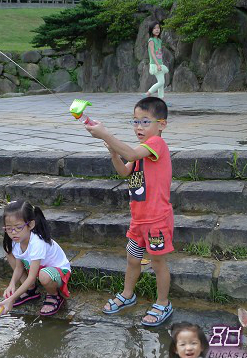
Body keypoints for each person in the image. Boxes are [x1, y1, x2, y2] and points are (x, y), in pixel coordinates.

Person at [86, 97, 174, 327]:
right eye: (135, 122)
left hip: (157, 221)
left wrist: (106, 135)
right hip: (139, 221)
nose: (139, 127)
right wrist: (114, 153)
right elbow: (125, 170)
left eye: (145, 121)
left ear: (161, 125)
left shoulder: (156, 145)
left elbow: (133, 154)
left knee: (157, 264)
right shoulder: (140, 153)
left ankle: (163, 302)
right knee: (132, 260)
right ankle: (128, 294)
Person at [0, 200, 71, 316]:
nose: (13, 233)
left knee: (44, 275)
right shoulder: (17, 242)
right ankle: (30, 290)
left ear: (30, 225)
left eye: (18, 227)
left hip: (57, 271)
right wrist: (11, 284)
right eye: (8, 228)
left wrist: (12, 298)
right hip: (38, 269)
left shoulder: (37, 243)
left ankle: (54, 295)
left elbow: (31, 277)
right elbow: (18, 267)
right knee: (9, 253)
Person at [145, 21, 169, 101]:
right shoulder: (151, 40)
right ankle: (148, 93)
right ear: (151, 30)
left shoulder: (159, 40)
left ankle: (161, 99)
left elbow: (159, 53)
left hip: (159, 64)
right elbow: (152, 53)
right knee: (161, 82)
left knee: (161, 82)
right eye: (154, 28)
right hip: (155, 64)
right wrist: (157, 64)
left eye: (158, 28)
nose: (157, 30)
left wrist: (160, 64)